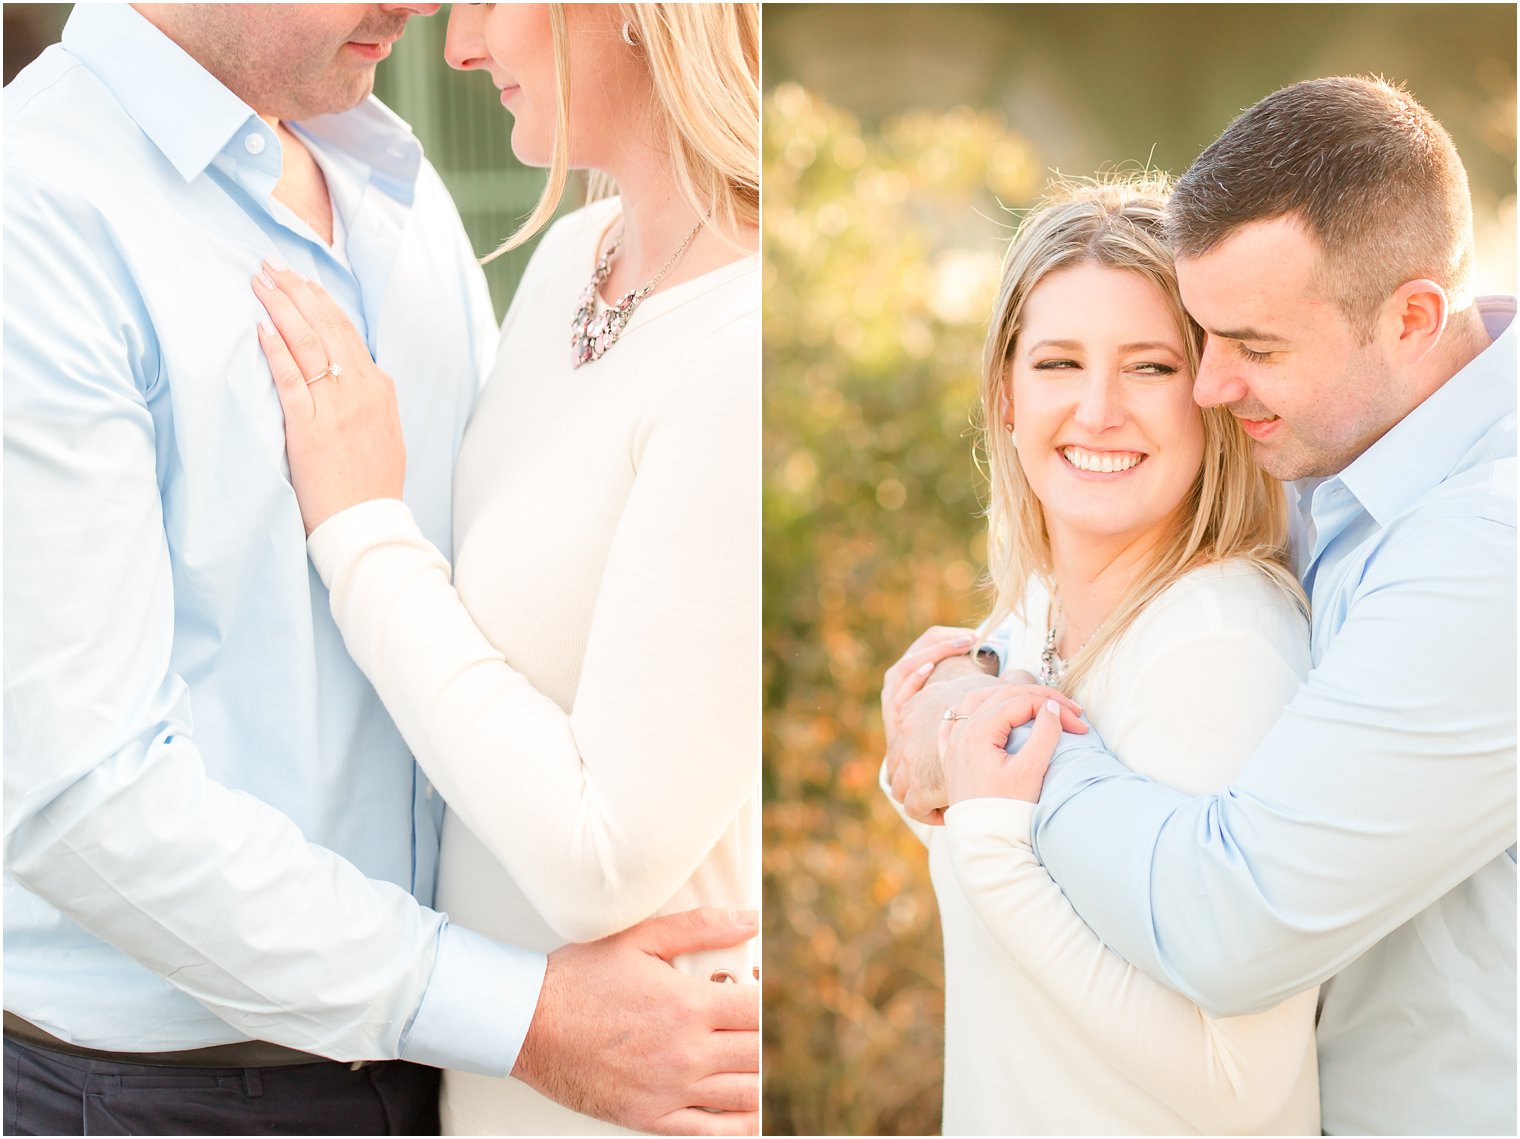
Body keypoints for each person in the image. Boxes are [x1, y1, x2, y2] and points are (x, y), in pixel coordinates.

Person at [3, 4, 756, 1136]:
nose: (430, 18)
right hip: (184, 1093)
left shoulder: (390, 177)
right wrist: (516, 1014)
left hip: (480, 1070)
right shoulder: (39, 211)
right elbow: (78, 790)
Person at [887, 76, 1516, 1135]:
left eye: (1248, 348)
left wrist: (992, 739)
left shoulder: (1476, 543)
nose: (1211, 388)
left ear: (1413, 318)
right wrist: (976, 684)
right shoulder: (1351, 457)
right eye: (1205, 339)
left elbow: (1232, 924)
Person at [248, 3, 760, 1134]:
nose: (458, 46)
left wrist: (358, 526)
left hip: (643, 1091)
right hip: (497, 1084)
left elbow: (600, 857)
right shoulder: (577, 256)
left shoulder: (743, 342)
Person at [879, 178, 1320, 1134]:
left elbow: (1241, 1085)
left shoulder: (1218, 650)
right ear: (1004, 393)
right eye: (1058, 362)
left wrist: (991, 843)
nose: (1098, 409)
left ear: (1210, 393)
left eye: (1151, 367)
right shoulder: (1031, 617)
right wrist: (927, 752)